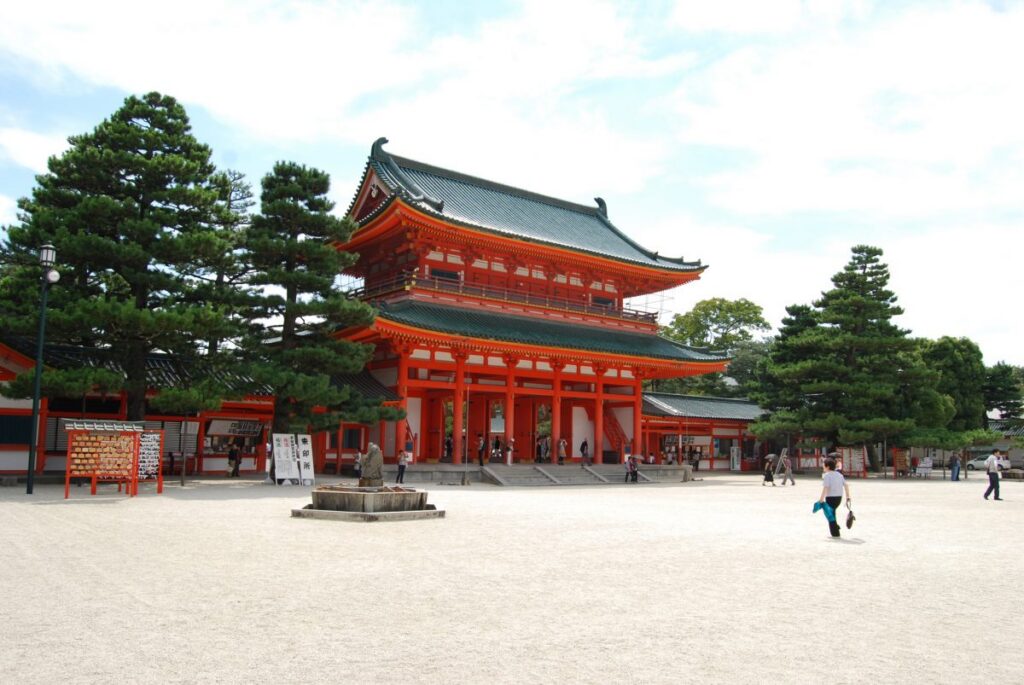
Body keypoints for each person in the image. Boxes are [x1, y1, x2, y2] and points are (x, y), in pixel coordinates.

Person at [819, 456, 852, 538]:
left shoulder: (827, 475)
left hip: (830, 498)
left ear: (828, 467)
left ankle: (835, 533)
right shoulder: (839, 475)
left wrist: (821, 499)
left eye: (824, 466)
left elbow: (826, 488)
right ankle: (836, 527)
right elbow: (846, 485)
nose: (823, 467)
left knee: (830, 515)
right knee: (832, 513)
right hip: (838, 498)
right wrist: (848, 497)